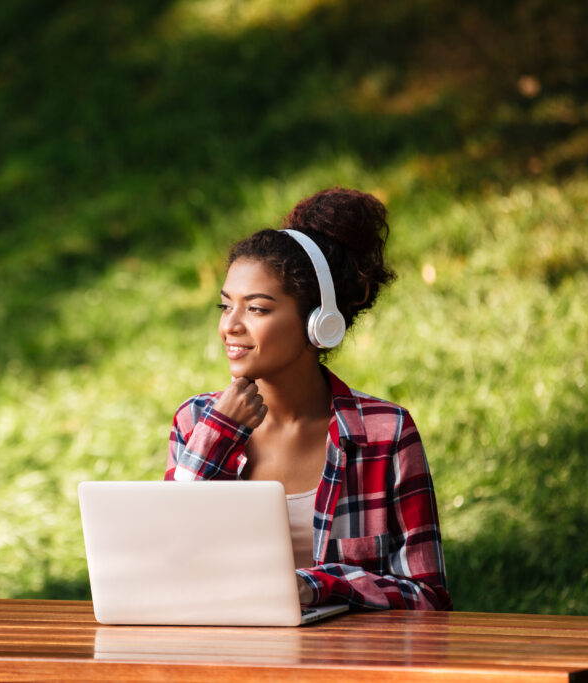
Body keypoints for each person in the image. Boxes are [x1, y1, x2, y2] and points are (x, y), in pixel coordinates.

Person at [164, 187, 452, 611]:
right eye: (225, 307)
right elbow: (165, 564)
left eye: (257, 309)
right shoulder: (196, 422)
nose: (231, 326)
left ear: (320, 323)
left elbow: (429, 598)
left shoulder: (386, 433)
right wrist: (218, 436)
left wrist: (318, 585)